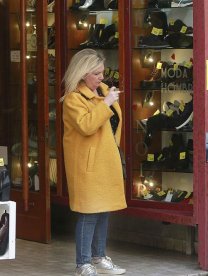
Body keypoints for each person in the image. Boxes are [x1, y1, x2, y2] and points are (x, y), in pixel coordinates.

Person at [61, 49, 127, 276]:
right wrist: (106, 102)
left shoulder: (103, 92)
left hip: (106, 160)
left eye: (102, 72)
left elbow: (115, 123)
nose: (102, 77)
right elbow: (87, 126)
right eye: (96, 73)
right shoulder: (73, 100)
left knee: (103, 210)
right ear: (82, 74)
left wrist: (107, 100)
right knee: (89, 213)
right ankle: (83, 263)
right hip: (87, 166)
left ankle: (99, 256)